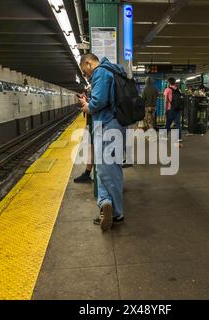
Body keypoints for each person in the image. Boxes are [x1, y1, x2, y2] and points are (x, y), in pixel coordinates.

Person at [78, 53, 126, 231]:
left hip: (108, 125)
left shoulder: (101, 72)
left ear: (89, 63)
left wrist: (87, 106)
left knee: (109, 170)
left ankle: (117, 213)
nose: (86, 75)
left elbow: (98, 102)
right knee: (104, 168)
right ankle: (105, 203)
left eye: (84, 71)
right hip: (110, 125)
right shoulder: (113, 71)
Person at [163, 77, 182, 142]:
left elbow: (166, 101)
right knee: (177, 123)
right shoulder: (179, 90)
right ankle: (179, 138)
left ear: (169, 83)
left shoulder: (167, 90)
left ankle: (165, 137)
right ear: (174, 82)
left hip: (170, 109)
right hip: (178, 109)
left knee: (168, 123)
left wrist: (165, 110)